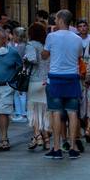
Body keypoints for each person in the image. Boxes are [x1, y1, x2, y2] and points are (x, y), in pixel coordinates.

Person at [42, 9, 84, 161]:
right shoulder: (77, 38)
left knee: (55, 112)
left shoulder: (51, 37)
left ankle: (56, 148)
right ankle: (73, 148)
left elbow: (44, 55)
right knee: (72, 112)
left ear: (60, 20)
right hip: (72, 78)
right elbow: (79, 55)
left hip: (55, 78)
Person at [24, 21, 50, 151]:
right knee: (44, 111)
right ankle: (46, 139)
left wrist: (24, 59)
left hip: (34, 80)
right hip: (46, 80)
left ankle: (37, 135)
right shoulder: (46, 46)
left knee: (34, 110)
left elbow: (32, 59)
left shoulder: (31, 45)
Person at [10, 26, 28, 123]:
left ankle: (22, 113)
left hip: (19, 71)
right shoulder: (25, 45)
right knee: (19, 93)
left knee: (20, 93)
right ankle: (20, 112)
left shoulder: (19, 46)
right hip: (20, 71)